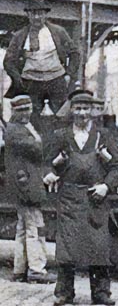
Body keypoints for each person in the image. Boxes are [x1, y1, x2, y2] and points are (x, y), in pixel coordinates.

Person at [44, 91, 118, 306]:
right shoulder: (61, 135)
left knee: (98, 245)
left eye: (86, 108)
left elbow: (117, 166)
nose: (82, 113)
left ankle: (101, 293)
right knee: (66, 247)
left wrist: (106, 186)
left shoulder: (103, 135)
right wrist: (50, 171)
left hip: (95, 198)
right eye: (78, 108)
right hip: (69, 198)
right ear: (71, 110)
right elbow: (47, 162)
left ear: (92, 111)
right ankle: (64, 293)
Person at [4, 95, 55, 284]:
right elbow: (38, 150)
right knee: (36, 227)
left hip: (22, 185)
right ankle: (37, 269)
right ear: (14, 111)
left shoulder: (19, 127)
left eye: (27, 109)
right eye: (21, 110)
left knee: (23, 228)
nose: (25, 113)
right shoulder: (15, 130)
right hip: (26, 186)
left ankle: (19, 269)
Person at [3, 0, 79, 123]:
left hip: (56, 81)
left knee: (61, 115)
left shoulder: (58, 32)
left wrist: (69, 75)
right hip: (31, 83)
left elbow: (74, 53)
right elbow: (8, 61)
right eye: (33, 13)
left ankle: (58, 135)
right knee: (32, 117)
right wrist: (18, 79)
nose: (37, 17)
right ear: (28, 15)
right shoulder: (19, 36)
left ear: (45, 14)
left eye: (40, 13)